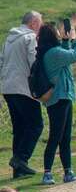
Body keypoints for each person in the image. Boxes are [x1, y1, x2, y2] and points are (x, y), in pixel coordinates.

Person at [37, 23, 76, 186]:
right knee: (56, 136)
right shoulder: (54, 53)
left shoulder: (50, 52)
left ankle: (68, 171)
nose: (59, 32)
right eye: (57, 32)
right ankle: (47, 173)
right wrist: (75, 40)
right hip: (59, 98)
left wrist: (65, 40)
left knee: (65, 137)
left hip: (62, 97)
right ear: (51, 35)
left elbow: (65, 59)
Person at [0, 12, 42, 179]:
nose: (41, 27)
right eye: (40, 23)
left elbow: (1, 62)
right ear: (33, 23)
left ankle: (18, 170)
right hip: (23, 88)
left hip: (8, 88)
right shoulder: (30, 37)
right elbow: (33, 62)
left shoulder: (9, 39)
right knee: (36, 124)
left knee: (19, 128)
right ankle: (20, 159)